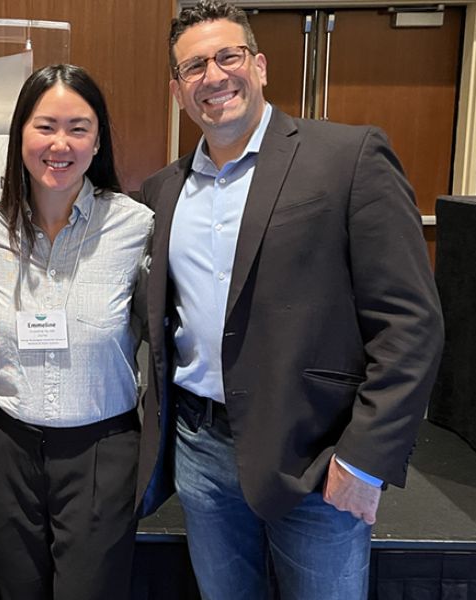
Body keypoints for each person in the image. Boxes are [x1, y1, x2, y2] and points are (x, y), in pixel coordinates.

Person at [135, 2, 445, 598]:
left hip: (316, 459)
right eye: (194, 67)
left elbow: (411, 324)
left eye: (228, 56)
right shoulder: (161, 192)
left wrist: (364, 461)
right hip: (201, 453)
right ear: (178, 91)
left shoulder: (347, 158)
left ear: (261, 64)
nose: (214, 76)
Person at [0, 64, 154, 600]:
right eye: (45, 125)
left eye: (79, 128)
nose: (61, 143)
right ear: (20, 136)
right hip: (6, 446)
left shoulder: (136, 228)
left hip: (101, 450)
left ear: (98, 141)